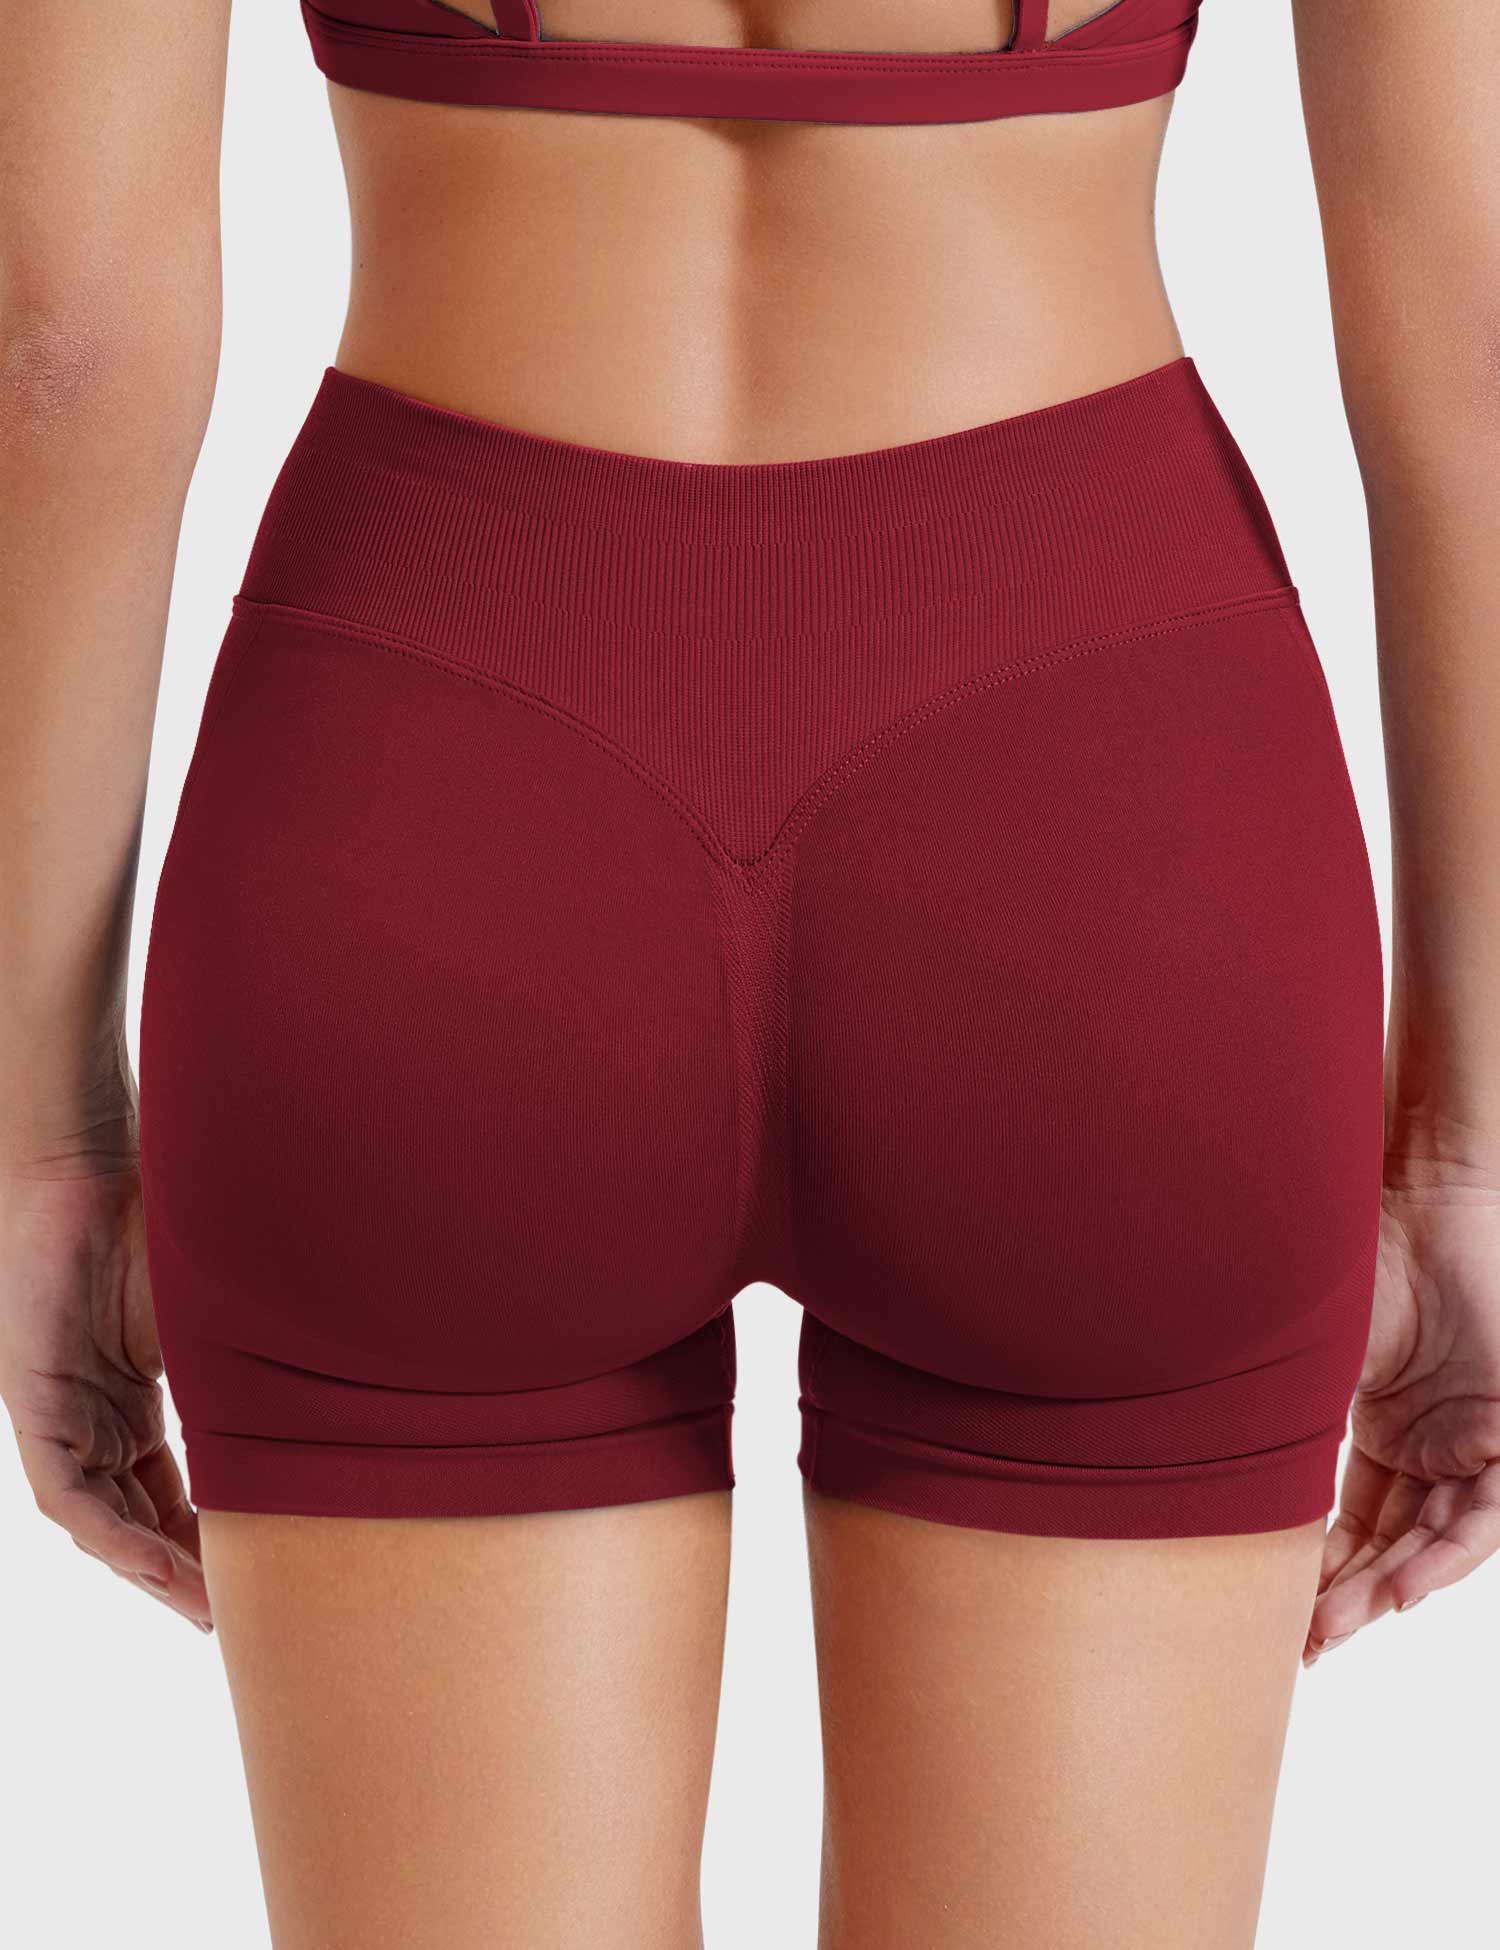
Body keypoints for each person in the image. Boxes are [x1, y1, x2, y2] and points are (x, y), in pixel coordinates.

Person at [2, 3, 1496, 1944]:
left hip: (432, 781)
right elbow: (1475, 321)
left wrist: (45, 1137)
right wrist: (1467, 1140)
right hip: (1107, 819)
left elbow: (57, 343)